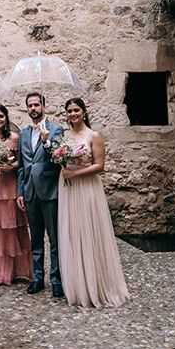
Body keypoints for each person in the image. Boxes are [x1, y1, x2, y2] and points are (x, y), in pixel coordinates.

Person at [58, 97, 130, 308]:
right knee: (73, 233)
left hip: (87, 188)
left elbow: (100, 166)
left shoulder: (94, 136)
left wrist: (76, 173)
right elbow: (61, 159)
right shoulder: (64, 137)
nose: (73, 114)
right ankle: (78, 287)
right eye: (69, 111)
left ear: (84, 112)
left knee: (89, 232)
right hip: (69, 191)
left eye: (76, 110)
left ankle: (98, 286)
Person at [16, 91, 64, 297]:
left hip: (49, 191)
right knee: (35, 238)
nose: (33, 108)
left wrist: (46, 143)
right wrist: (20, 192)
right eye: (30, 106)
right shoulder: (24, 133)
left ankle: (56, 280)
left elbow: (58, 159)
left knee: (54, 239)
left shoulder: (55, 129)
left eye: (36, 105)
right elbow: (21, 166)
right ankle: (37, 277)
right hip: (30, 192)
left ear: (44, 106)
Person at [0, 104, 33, 285]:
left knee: (11, 229)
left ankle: (13, 271)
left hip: (9, 186)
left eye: (1, 116)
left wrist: (12, 166)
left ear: (6, 118)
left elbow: (23, 162)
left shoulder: (14, 138)